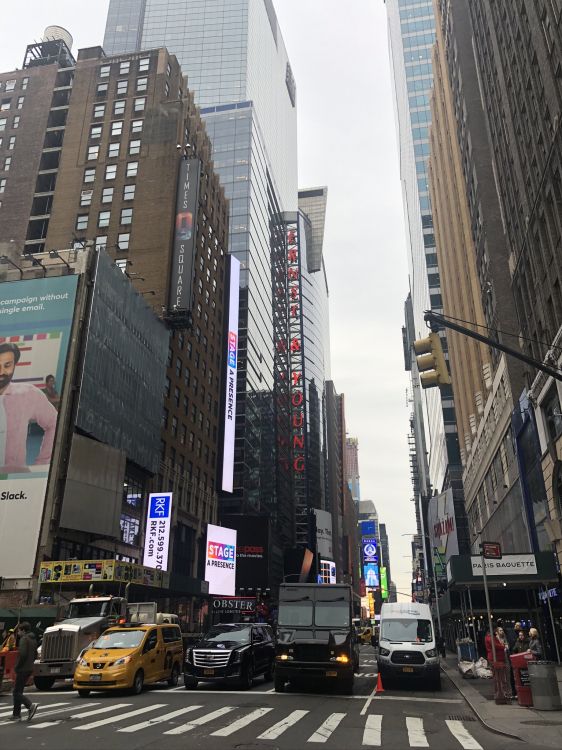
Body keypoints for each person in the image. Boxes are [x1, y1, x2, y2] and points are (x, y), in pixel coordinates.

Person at [0, 343, 58, 469]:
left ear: (15, 365)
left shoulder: (27, 394)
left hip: (15, 483)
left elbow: (55, 422)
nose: (1, 372)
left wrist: (43, 463)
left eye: (7, 365)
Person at [11, 622, 38, 722]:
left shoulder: (24, 639)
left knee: (16, 692)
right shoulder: (33, 639)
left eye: (19, 630)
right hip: (29, 668)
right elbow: (35, 654)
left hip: (22, 669)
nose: (18, 633)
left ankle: (30, 706)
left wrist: (17, 666)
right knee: (19, 691)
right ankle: (16, 714)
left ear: (23, 630)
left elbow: (22, 655)